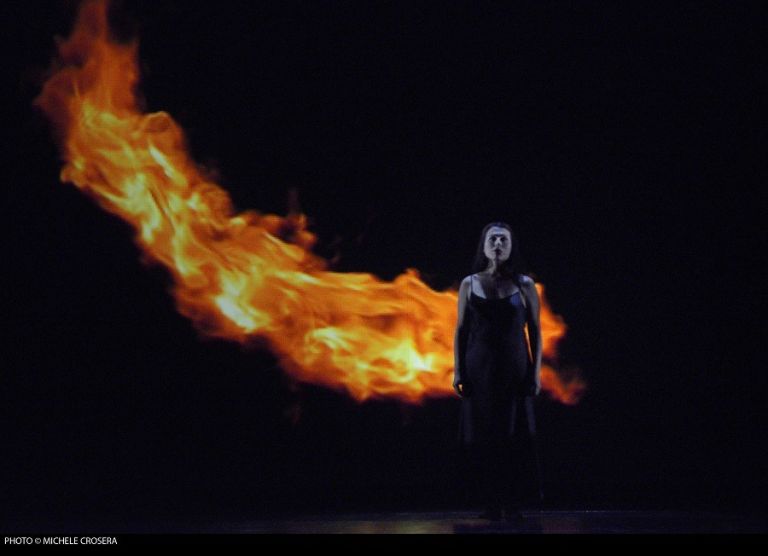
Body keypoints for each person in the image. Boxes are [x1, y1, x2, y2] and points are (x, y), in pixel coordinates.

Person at [453, 222, 543, 521]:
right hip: (479, 368)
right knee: (485, 434)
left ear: (511, 246)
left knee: (513, 435)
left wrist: (536, 373)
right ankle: (490, 502)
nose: (498, 244)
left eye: (504, 239)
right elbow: (461, 330)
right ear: (484, 245)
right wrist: (458, 371)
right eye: (493, 239)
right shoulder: (469, 283)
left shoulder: (525, 285)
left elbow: (536, 332)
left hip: (515, 366)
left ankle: (514, 502)